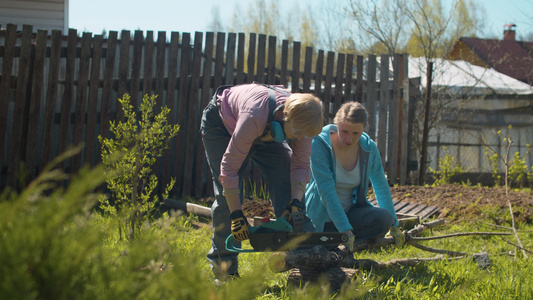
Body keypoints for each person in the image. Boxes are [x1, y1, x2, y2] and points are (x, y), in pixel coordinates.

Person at [200, 82, 324, 282]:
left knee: (285, 181)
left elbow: (300, 166)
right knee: (228, 198)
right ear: (285, 115)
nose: (300, 138)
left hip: (270, 127)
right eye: (297, 134)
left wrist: (296, 201)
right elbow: (229, 170)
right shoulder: (254, 115)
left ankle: (308, 256)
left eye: (304, 135)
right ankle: (225, 272)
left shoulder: (303, 122)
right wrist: (237, 215)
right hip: (222, 124)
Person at [304, 101, 404, 252]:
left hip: (350, 215)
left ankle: (345, 245)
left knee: (384, 219)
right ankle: (334, 243)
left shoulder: (369, 149)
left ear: (364, 129)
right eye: (344, 131)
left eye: (355, 133)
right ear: (336, 124)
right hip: (320, 220)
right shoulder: (320, 144)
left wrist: (395, 226)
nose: (349, 139)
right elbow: (326, 191)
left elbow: (381, 186)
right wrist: (345, 229)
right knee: (315, 250)